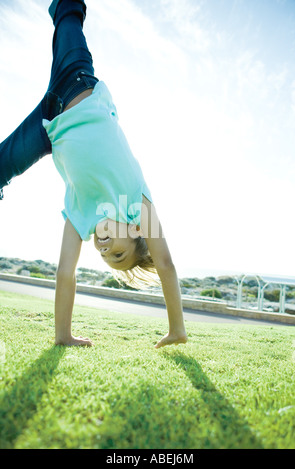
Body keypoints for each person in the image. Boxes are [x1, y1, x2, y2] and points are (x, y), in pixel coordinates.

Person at [0, 0, 187, 348]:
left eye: (105, 257)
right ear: (135, 230)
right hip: (78, 84)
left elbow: (65, 274)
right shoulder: (135, 201)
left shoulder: (81, 215)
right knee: (68, 15)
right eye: (117, 252)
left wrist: (63, 336)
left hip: (48, 126)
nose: (103, 250)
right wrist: (177, 329)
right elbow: (165, 263)